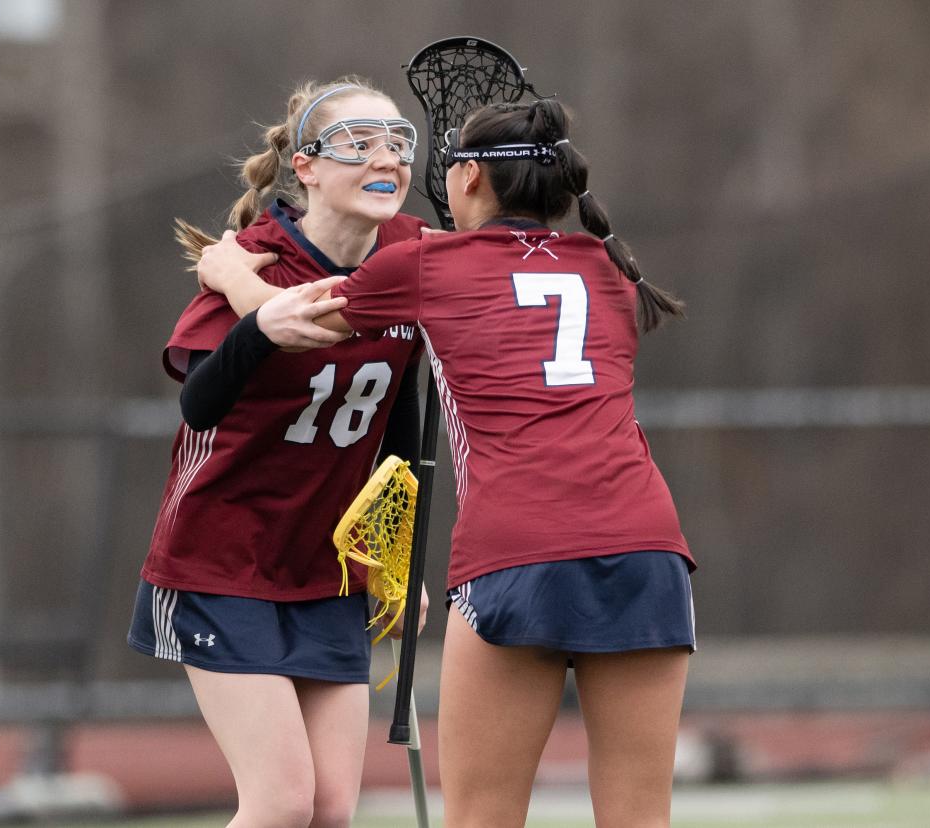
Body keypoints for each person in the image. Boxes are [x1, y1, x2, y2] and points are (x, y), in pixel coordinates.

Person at [197, 98, 696, 828]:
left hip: (517, 551)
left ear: (467, 179)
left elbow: (298, 322)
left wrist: (228, 275)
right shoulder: (613, 270)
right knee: (640, 819)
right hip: (647, 547)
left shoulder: (427, 264)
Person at [128, 76, 429, 828]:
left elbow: (397, 417)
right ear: (308, 167)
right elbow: (198, 406)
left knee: (330, 811)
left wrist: (398, 552)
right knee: (282, 804)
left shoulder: (407, 258)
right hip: (220, 560)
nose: (384, 157)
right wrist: (254, 322)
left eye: (397, 141)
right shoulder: (255, 263)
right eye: (358, 144)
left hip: (324, 569)